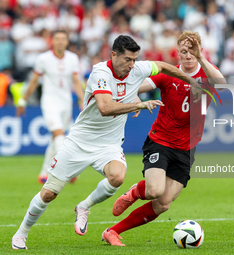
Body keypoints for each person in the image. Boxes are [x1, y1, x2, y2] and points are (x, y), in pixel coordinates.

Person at [11, 35, 197, 250]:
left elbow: (164, 66)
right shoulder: (100, 73)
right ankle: (22, 233)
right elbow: (105, 108)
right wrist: (138, 104)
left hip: (109, 145)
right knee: (49, 193)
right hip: (79, 142)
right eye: (127, 59)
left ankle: (84, 206)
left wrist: (190, 79)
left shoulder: (138, 69)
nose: (131, 65)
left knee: (117, 177)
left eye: (134, 59)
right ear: (114, 55)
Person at [101, 31, 225, 246]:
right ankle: (135, 192)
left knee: (163, 203)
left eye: (192, 51)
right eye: (184, 51)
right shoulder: (169, 74)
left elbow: (222, 84)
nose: (188, 55)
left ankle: (112, 231)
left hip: (187, 147)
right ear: (177, 52)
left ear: (200, 51)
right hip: (161, 141)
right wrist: (135, 94)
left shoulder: (207, 76)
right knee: (155, 191)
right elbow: (137, 86)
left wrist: (201, 58)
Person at [16, 30, 84, 184]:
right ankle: (67, 171)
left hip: (65, 102)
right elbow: (33, 81)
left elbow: (75, 81)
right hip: (49, 102)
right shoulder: (43, 59)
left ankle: (43, 172)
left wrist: (82, 100)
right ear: (52, 41)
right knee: (59, 136)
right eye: (57, 39)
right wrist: (22, 101)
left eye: (63, 39)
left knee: (56, 139)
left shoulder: (73, 58)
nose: (60, 42)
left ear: (67, 42)